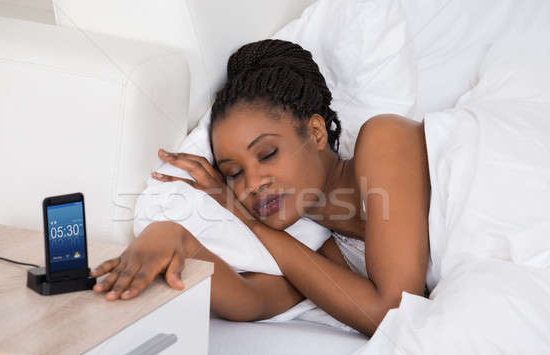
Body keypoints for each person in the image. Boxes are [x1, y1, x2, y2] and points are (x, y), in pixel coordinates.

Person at [91, 39, 431, 337]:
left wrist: (250, 222)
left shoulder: (384, 140)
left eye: (267, 153)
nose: (252, 184)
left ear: (315, 132)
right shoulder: (331, 253)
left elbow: (394, 312)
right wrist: (171, 235)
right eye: (234, 173)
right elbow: (250, 300)